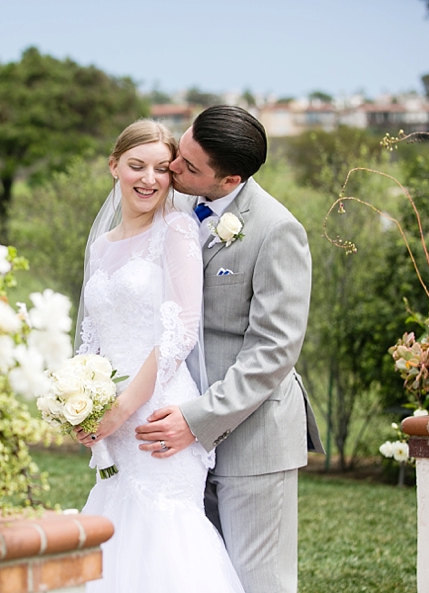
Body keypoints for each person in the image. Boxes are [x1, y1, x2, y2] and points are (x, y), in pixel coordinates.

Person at [134, 105, 324, 593]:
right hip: (178, 447)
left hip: (252, 439)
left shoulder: (277, 231)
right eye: (182, 150)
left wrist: (197, 420)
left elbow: (273, 352)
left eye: (189, 168)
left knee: (257, 582)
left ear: (229, 179)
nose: (173, 168)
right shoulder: (169, 209)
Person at [74, 119, 245, 593]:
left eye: (160, 169)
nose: (148, 179)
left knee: (164, 539)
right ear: (114, 167)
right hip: (111, 421)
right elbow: (93, 339)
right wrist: (81, 404)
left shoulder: (176, 230)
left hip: (157, 416)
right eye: (136, 166)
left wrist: (124, 407)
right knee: (115, 534)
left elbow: (181, 331)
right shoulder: (102, 246)